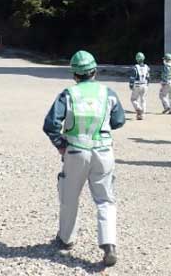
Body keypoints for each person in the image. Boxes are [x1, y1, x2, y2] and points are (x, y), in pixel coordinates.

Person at [43, 50, 125, 267]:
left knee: (69, 196)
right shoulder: (108, 93)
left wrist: (61, 145)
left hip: (75, 151)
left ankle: (66, 238)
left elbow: (51, 124)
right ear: (94, 71)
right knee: (105, 199)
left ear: (74, 74)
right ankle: (109, 245)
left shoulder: (67, 95)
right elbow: (119, 120)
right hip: (104, 152)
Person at [129, 52, 150, 120]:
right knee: (143, 100)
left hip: (137, 85)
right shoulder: (147, 67)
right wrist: (147, 84)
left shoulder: (135, 67)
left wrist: (131, 85)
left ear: (137, 59)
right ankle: (142, 115)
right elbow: (148, 77)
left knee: (133, 99)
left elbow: (132, 78)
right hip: (144, 85)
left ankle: (138, 108)